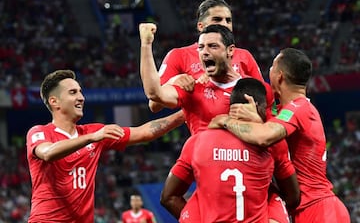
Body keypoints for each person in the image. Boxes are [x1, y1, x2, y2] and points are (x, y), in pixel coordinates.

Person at [140, 23, 297, 223]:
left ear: (231, 51)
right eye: (201, 47)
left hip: (254, 181)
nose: (204, 52)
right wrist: (146, 45)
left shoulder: (257, 89)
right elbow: (155, 94)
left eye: (212, 47)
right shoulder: (192, 88)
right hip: (210, 181)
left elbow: (272, 133)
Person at [209, 48, 351, 223]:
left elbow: (264, 136)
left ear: (279, 76)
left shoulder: (300, 108)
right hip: (305, 210)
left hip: (320, 210)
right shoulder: (286, 111)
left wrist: (225, 121)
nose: (269, 71)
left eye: (272, 66)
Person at [26, 69, 185, 223]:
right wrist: (92, 137)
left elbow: (144, 132)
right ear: (54, 101)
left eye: (80, 92)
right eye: (73, 92)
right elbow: (48, 153)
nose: (81, 97)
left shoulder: (94, 131)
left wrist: (185, 114)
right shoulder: (39, 132)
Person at [160, 78, 299, 222]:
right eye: (266, 108)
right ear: (257, 106)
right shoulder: (272, 143)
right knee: (274, 197)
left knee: (197, 199)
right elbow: (293, 198)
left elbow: (168, 198)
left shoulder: (196, 142)